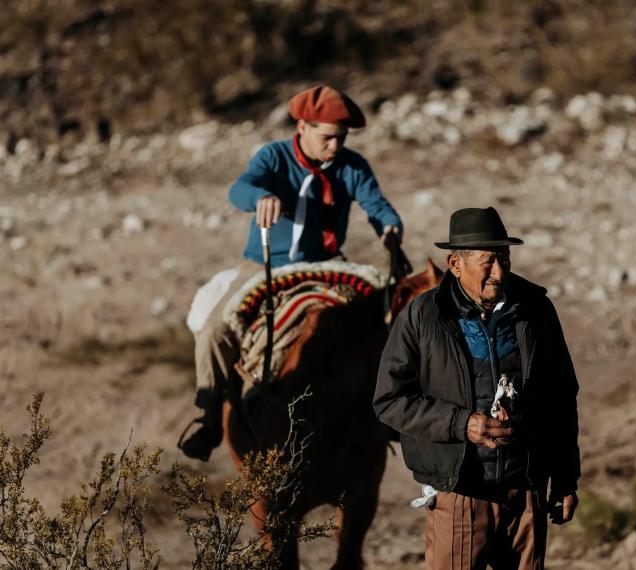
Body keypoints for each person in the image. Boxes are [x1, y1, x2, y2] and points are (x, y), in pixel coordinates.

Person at [180, 84, 403, 461]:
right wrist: (260, 197)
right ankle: (209, 415)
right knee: (217, 330)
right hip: (265, 264)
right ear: (302, 127)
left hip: (328, 265)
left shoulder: (353, 166)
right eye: (328, 137)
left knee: (389, 316)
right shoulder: (273, 156)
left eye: (342, 138)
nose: (336, 146)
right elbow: (240, 188)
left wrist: (390, 227)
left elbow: (376, 205)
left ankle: (394, 408)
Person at [373, 207, 580, 569]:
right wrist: (462, 424)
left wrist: (565, 479)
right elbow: (390, 400)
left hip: (526, 493)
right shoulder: (423, 317)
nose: (499, 272)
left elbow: (561, 396)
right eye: (488, 261)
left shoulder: (536, 309)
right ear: (455, 264)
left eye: (504, 258)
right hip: (460, 494)